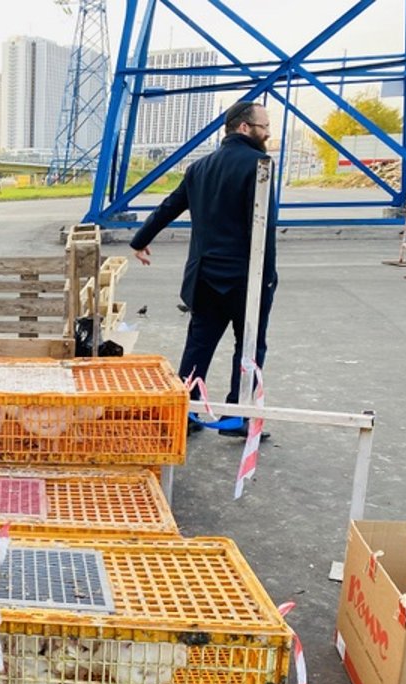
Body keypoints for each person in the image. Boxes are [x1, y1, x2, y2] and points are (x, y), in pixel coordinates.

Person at [130, 100, 277, 439]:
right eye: (263, 126)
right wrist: (268, 279)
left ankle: (188, 412)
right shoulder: (260, 166)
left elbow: (170, 206)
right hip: (246, 280)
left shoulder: (200, 168)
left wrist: (140, 239)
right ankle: (237, 416)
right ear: (244, 127)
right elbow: (265, 229)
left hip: (205, 277)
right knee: (250, 348)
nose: (268, 132)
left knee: (199, 344)